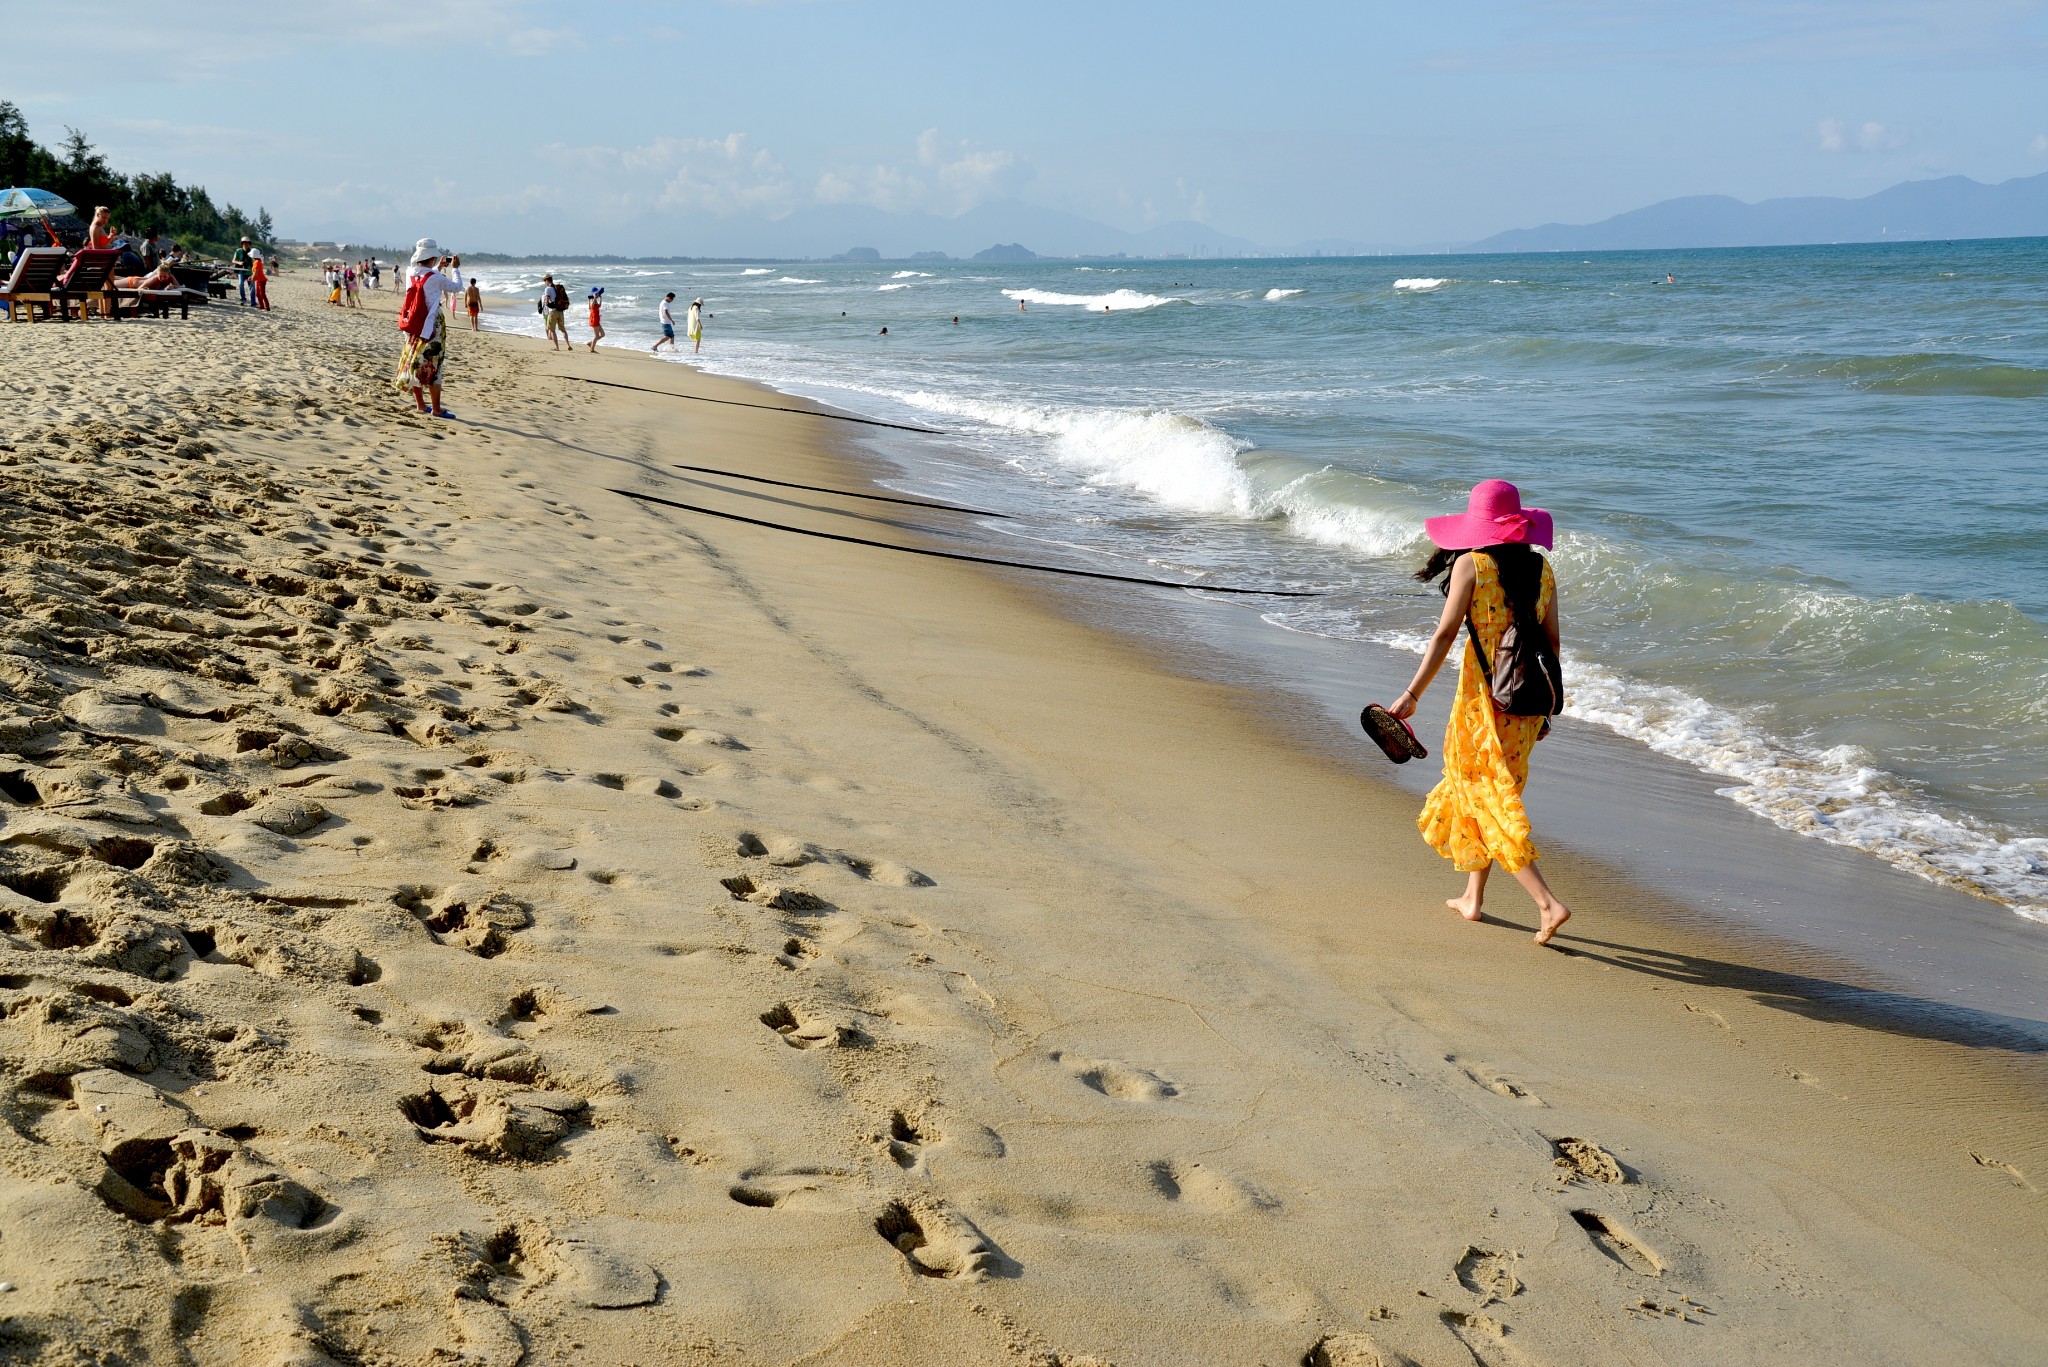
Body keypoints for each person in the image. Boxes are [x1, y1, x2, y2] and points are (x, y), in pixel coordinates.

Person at [1388, 479, 1571, 946]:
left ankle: (1547, 903)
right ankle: (1473, 899)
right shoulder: (1543, 570)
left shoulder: (1473, 565)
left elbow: (1445, 636)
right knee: (1487, 792)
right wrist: (1546, 709)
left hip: (1482, 701)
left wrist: (1412, 694)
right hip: (1527, 701)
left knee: (1485, 794)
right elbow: (1552, 645)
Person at [396, 238, 464, 418]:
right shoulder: (435, 277)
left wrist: (439, 268)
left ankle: (420, 405)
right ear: (433, 257)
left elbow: (426, 279)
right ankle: (436, 409)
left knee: (414, 362)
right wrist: (455, 268)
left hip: (413, 324)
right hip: (432, 325)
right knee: (434, 365)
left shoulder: (411, 272)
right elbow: (457, 287)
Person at [539, 274, 570, 350]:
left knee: (552, 330)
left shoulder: (548, 289)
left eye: (544, 281)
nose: (544, 282)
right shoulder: (557, 288)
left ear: (547, 280)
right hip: (560, 311)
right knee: (563, 330)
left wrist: (546, 304)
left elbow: (547, 301)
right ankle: (568, 345)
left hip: (553, 312)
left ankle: (556, 347)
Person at [233, 237, 254, 305]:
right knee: (240, 284)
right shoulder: (238, 251)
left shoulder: (252, 252)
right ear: (242, 243)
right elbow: (233, 260)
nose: (246, 244)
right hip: (241, 271)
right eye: (244, 243)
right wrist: (239, 263)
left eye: (247, 243)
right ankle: (243, 299)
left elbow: (255, 261)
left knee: (252, 287)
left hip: (250, 272)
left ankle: (253, 302)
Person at [586, 286, 605, 353]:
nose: (597, 294)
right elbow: (591, 306)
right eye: (596, 293)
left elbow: (598, 306)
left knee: (602, 334)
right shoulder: (592, 300)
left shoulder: (595, 300)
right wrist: (594, 298)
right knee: (596, 336)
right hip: (594, 319)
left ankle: (591, 343)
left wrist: (601, 299)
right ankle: (592, 349)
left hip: (597, 318)